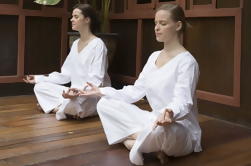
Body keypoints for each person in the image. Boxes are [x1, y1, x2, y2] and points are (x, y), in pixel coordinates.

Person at [69, 3, 202, 165]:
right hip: (152, 121)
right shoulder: (154, 56)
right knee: (105, 104)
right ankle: (140, 142)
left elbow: (184, 101)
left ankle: (130, 140)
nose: (156, 28)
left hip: (178, 128)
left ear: (178, 25)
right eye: (155, 23)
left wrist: (170, 113)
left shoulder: (187, 62)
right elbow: (135, 91)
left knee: (163, 131)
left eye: (163, 23)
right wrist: (102, 91)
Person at [23, 4, 110, 120]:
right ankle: (65, 108)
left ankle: (59, 107)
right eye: (72, 16)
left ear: (87, 20)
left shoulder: (98, 45)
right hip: (71, 92)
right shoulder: (75, 44)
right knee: (40, 87)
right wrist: (38, 78)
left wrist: (78, 93)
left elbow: (96, 79)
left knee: (74, 102)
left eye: (76, 16)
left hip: (90, 95)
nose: (71, 19)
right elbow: (65, 75)